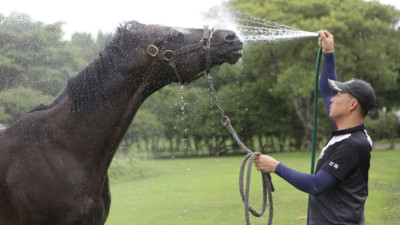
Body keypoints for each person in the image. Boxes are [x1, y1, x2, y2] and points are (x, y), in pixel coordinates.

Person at [253, 30, 376, 225]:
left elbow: (317, 184)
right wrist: (329, 54)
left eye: (339, 96)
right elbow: (327, 91)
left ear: (352, 105)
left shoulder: (353, 144)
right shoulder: (347, 131)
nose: (332, 99)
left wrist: (275, 167)